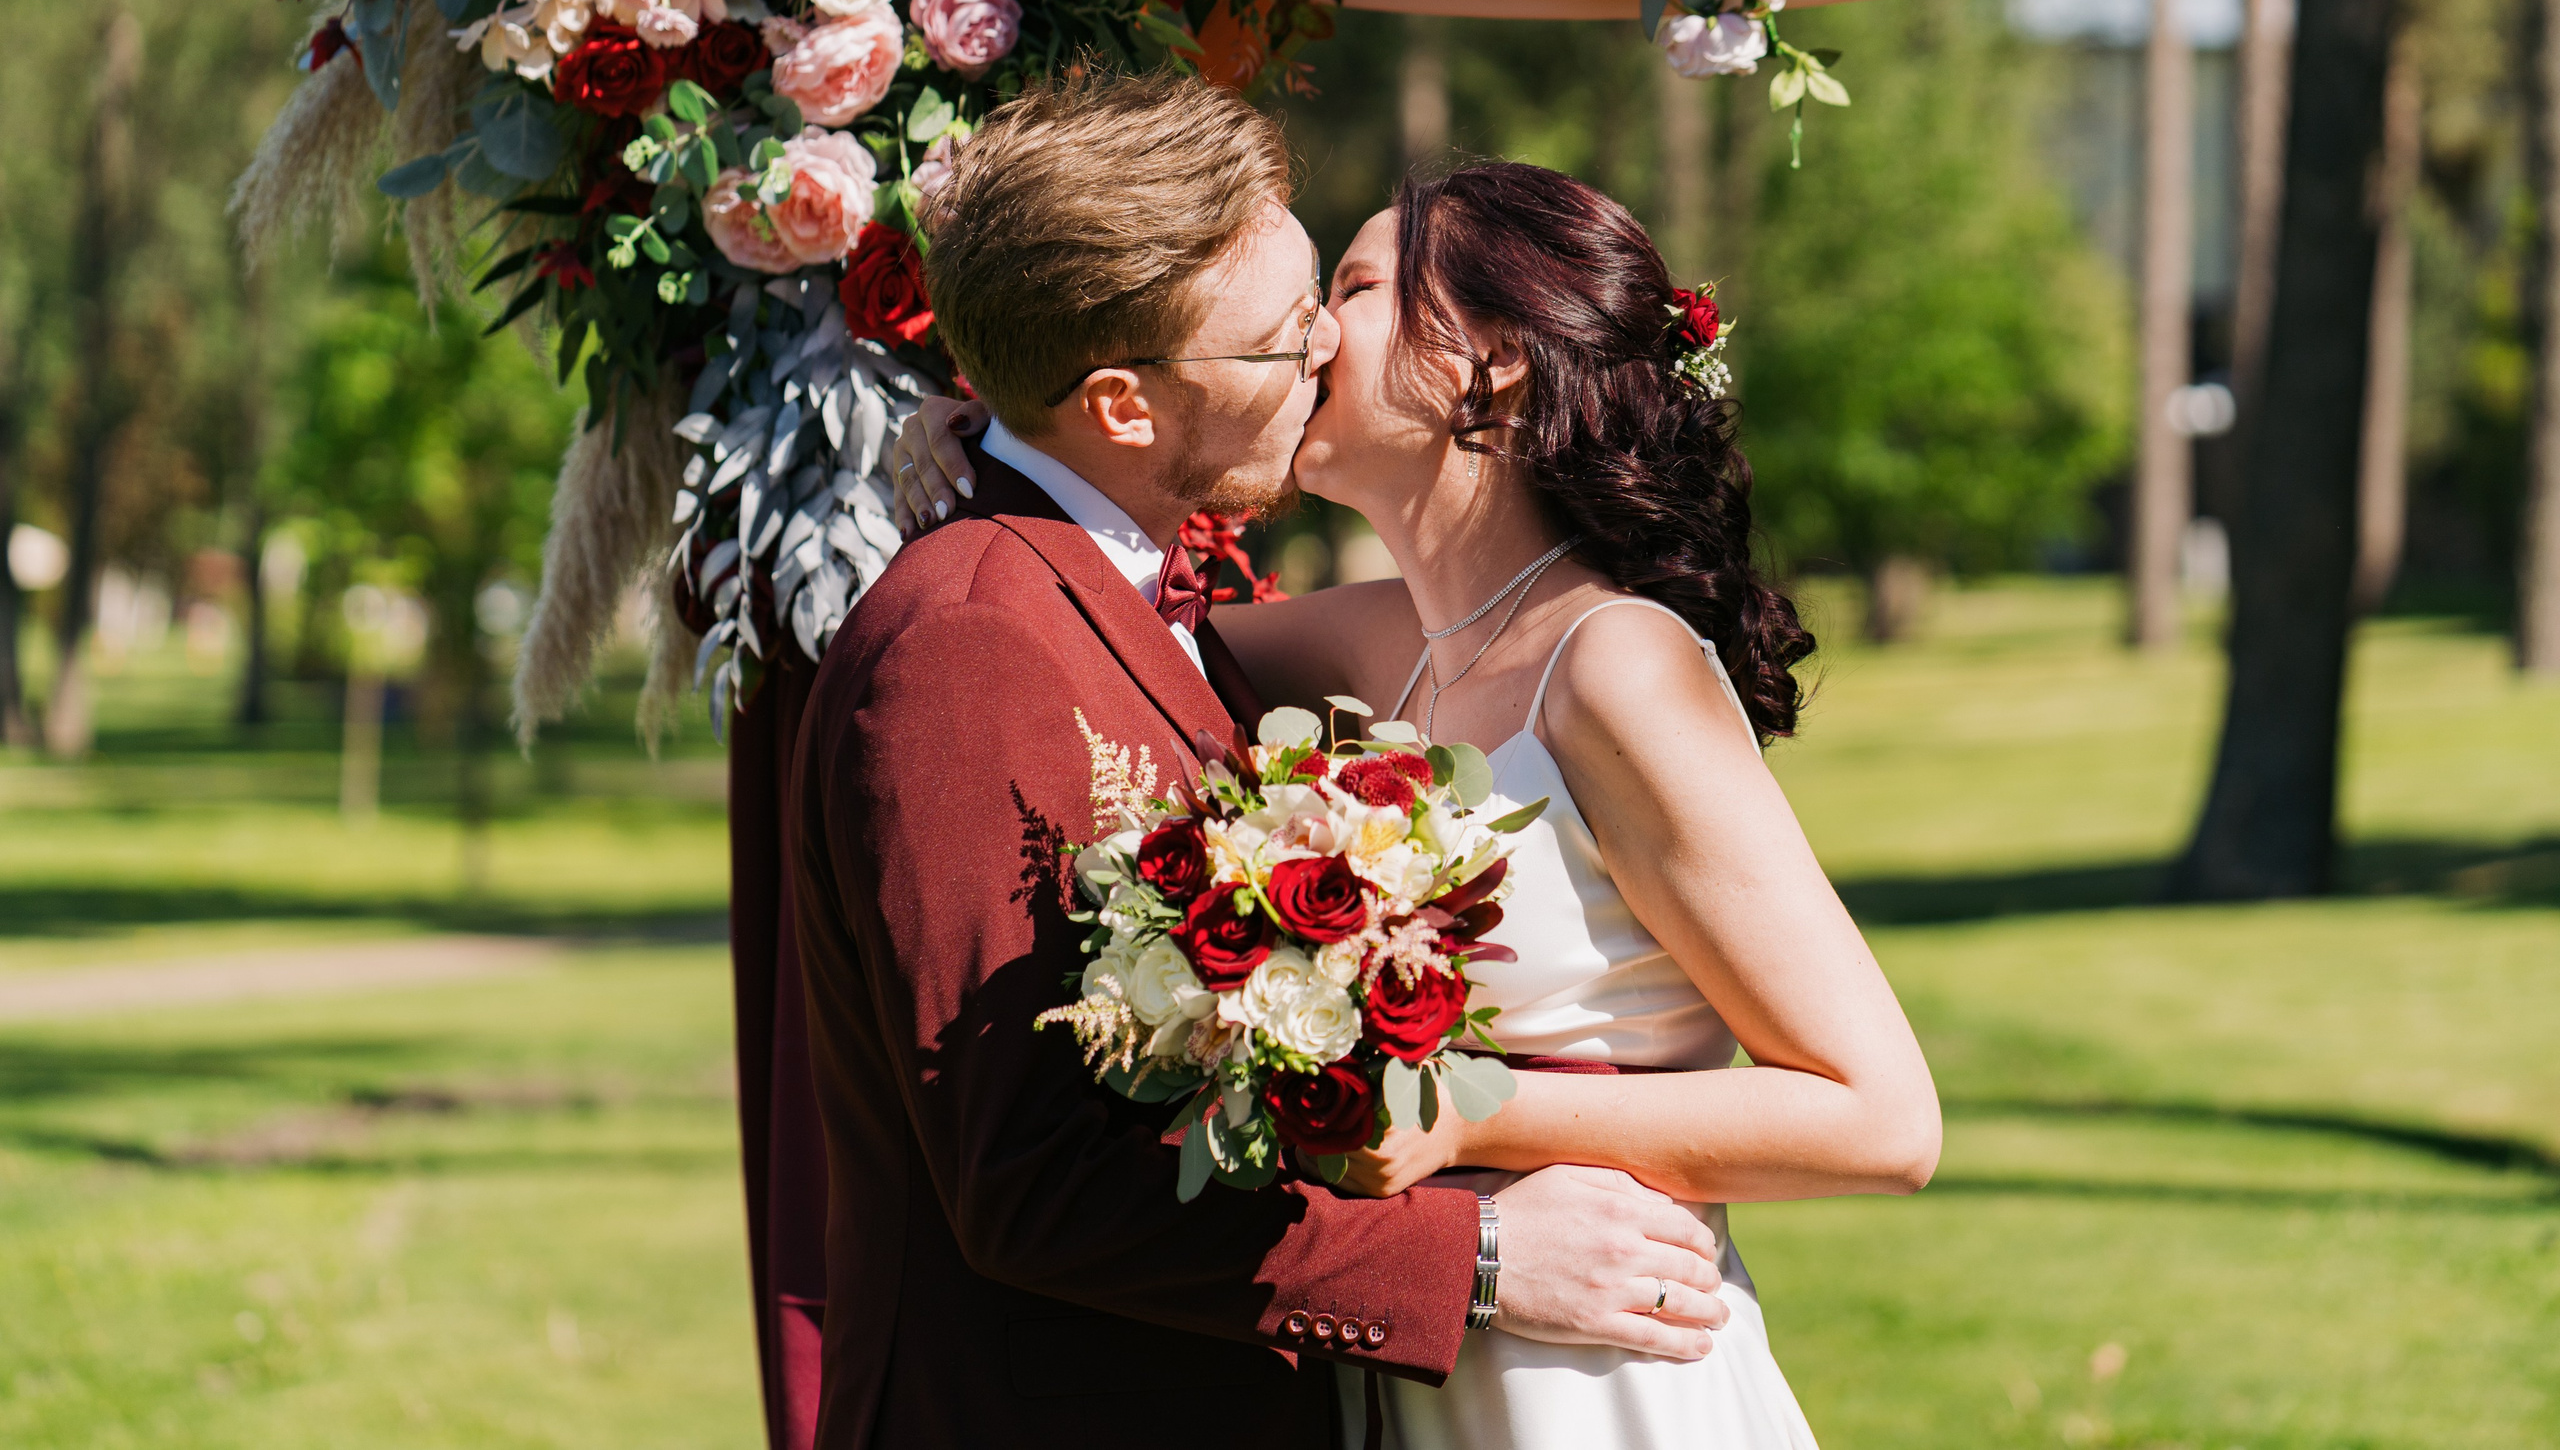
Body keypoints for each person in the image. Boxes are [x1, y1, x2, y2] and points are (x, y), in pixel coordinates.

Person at [889, 156, 1943, 1450]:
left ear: (1484, 365)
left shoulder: (1617, 663)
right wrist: (996, 446)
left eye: (1353, 287)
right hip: (1410, 1370)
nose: (1316, 335)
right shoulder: (1372, 649)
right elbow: (1096, 637)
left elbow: (1881, 1117)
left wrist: (1462, 1113)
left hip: (1605, 1365)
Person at [790, 75, 1733, 1450]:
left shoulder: (1138, 607)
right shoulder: (969, 646)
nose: (1328, 350)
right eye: (1288, 334)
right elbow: (1034, 1182)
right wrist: (1471, 1261)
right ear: (1121, 406)